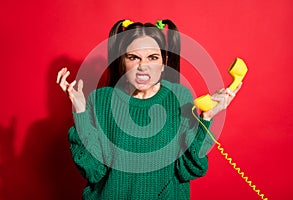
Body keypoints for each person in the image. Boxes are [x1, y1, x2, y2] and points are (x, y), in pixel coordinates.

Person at [56, 19, 241, 200]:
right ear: (122, 61)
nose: (143, 66)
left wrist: (206, 118)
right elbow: (93, 170)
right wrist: (80, 112)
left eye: (152, 58)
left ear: (163, 63)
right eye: (133, 57)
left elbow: (191, 168)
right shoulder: (100, 100)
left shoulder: (180, 98)